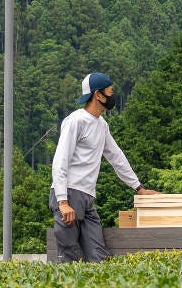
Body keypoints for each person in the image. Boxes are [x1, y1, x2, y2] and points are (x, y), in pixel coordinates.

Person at [49, 72, 158, 262]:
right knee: (68, 258)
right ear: (98, 95)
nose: (112, 94)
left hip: (88, 197)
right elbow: (60, 160)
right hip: (69, 194)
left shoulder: (101, 125)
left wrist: (138, 188)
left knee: (99, 257)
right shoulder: (76, 121)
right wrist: (62, 202)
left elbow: (116, 157)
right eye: (110, 90)